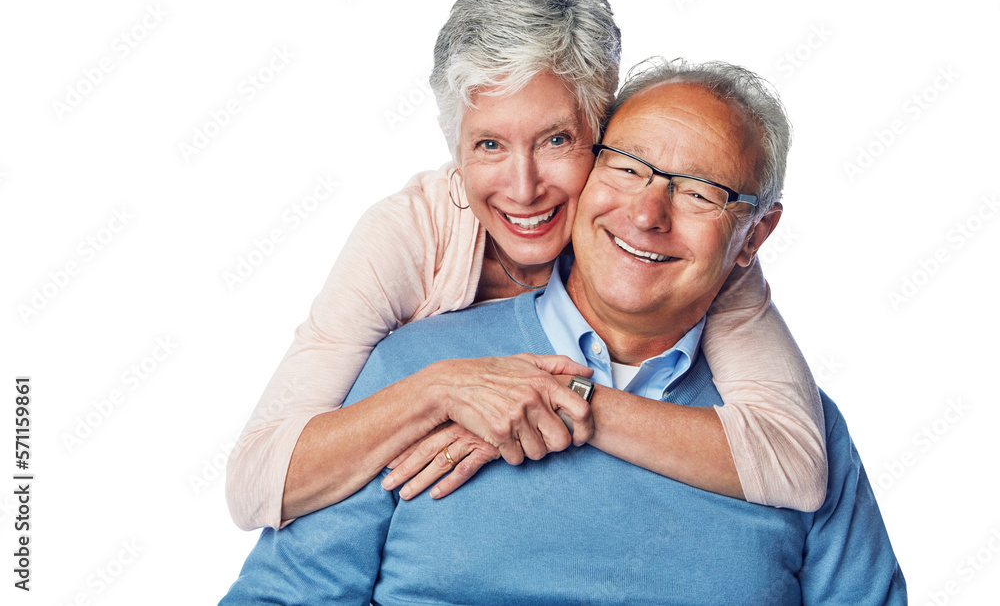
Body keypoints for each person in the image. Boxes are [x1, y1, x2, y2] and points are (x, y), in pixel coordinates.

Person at [220, 58, 905, 604]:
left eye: (700, 192)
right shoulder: (413, 367)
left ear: (754, 235)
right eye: (628, 168)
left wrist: (569, 402)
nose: (647, 212)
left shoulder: (796, 431)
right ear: (587, 177)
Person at [226, 0, 826, 532]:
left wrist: (557, 405)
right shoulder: (409, 236)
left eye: (557, 140)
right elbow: (254, 485)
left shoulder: (674, 243)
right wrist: (440, 391)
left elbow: (796, 463)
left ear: (604, 133)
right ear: (456, 150)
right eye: (488, 144)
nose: (523, 187)